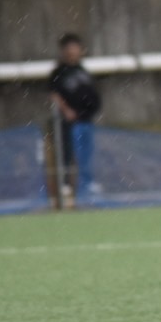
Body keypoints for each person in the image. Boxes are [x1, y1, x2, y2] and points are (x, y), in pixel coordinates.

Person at [48, 33, 102, 200]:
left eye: (76, 48)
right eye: (70, 48)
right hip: (70, 122)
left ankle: (86, 183)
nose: (73, 51)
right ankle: (65, 184)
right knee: (68, 153)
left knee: (86, 153)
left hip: (86, 120)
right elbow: (54, 94)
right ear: (64, 50)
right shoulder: (59, 72)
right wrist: (66, 111)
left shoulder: (83, 71)